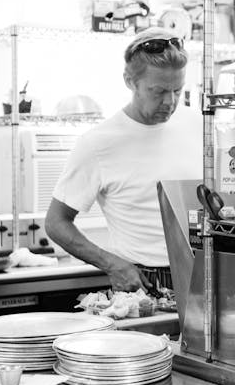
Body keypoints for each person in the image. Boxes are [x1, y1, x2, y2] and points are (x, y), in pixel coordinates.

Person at [45, 27, 201, 292]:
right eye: (158, 91)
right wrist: (111, 264)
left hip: (202, 272)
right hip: (144, 281)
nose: (170, 101)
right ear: (130, 81)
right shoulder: (98, 143)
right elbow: (56, 222)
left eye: (177, 90)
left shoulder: (197, 124)